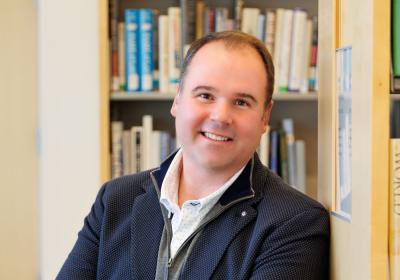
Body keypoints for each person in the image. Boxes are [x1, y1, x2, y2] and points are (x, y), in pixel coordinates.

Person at [57, 31, 329, 280]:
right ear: (177, 100)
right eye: (205, 95)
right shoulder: (115, 201)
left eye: (241, 102)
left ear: (265, 116)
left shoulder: (295, 223)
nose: (221, 116)